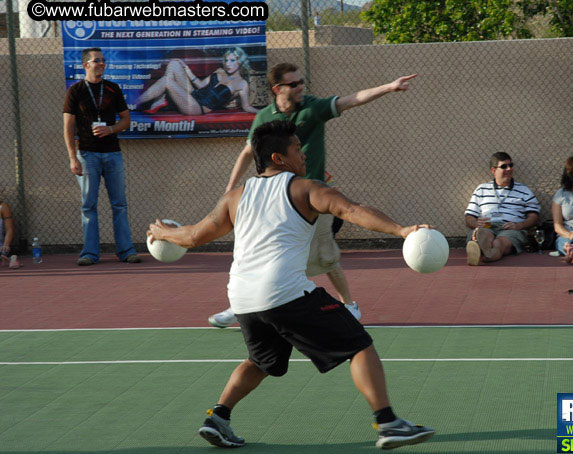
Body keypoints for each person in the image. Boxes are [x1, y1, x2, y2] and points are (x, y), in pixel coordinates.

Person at [147, 121, 435, 450]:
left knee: (261, 361)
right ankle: (389, 424)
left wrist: (163, 233)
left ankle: (218, 417)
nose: (303, 153)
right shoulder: (303, 188)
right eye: (297, 149)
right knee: (359, 345)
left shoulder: (236, 197)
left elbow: (195, 236)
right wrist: (402, 230)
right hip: (283, 291)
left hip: (242, 297)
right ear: (278, 157)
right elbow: (351, 210)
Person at [208, 62, 417, 327]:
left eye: (301, 82)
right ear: (277, 88)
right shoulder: (265, 118)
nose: (300, 87)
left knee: (325, 257)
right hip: (277, 200)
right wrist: (230, 188)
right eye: (293, 84)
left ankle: (350, 306)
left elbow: (352, 100)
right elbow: (248, 152)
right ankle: (239, 307)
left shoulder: (312, 108)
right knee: (256, 252)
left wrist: (389, 87)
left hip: (311, 200)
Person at [63, 47, 141, 266]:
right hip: (87, 154)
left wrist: (111, 130)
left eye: (104, 60)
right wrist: (73, 157)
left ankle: (126, 251)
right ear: (86, 64)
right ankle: (90, 253)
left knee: (119, 204)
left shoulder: (113, 89)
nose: (102, 64)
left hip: (112, 154)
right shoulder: (75, 91)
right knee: (89, 205)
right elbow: (68, 127)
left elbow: (126, 120)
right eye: (97, 60)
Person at [464, 152, 541, 265]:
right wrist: (476, 223)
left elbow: (534, 216)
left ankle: (483, 253)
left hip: (510, 228)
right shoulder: (482, 189)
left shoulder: (523, 190)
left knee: (499, 243)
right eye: (504, 166)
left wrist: (519, 225)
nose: (509, 169)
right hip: (487, 225)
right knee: (484, 235)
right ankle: (485, 250)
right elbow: (469, 217)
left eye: (511, 165)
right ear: (493, 170)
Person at [137, 47, 258, 115]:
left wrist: (262, 112)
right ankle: (160, 100)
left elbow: (246, 106)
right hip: (194, 94)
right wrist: (186, 68)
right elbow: (200, 85)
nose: (228, 64)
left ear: (240, 62)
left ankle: (133, 104)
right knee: (174, 63)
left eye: (232, 61)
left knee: (167, 81)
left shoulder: (242, 84)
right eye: (226, 60)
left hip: (197, 107)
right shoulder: (220, 71)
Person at [0, 196, 18, 268]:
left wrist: (6, 245)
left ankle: (6, 256)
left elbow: (9, 229)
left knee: (4, 250)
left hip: (0, 245)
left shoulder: (3, 207)